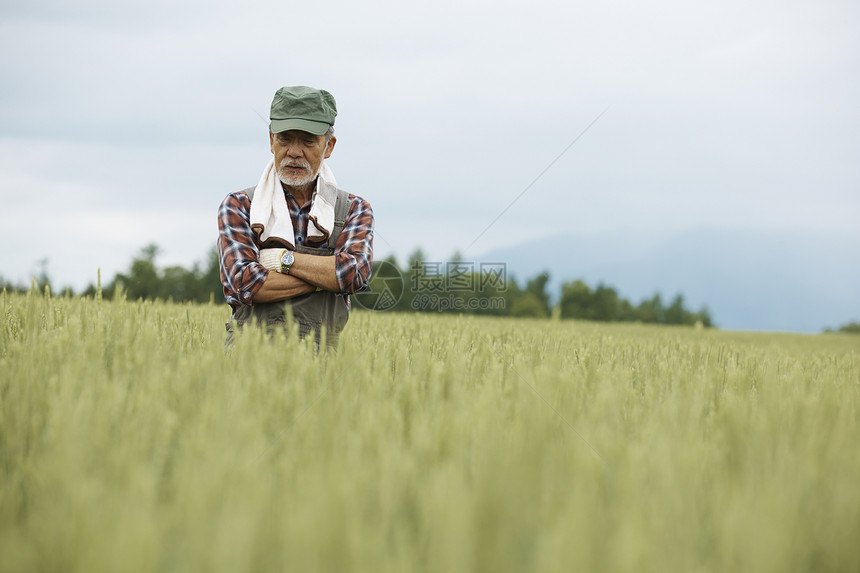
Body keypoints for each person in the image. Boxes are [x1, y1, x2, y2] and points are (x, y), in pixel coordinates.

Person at [217, 86, 374, 349]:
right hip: (248, 362)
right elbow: (247, 283)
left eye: (308, 140)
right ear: (271, 141)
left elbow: (353, 275)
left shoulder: (353, 209)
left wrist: (280, 260)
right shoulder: (239, 206)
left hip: (322, 362)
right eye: (285, 139)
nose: (294, 151)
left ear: (329, 145)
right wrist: (326, 280)